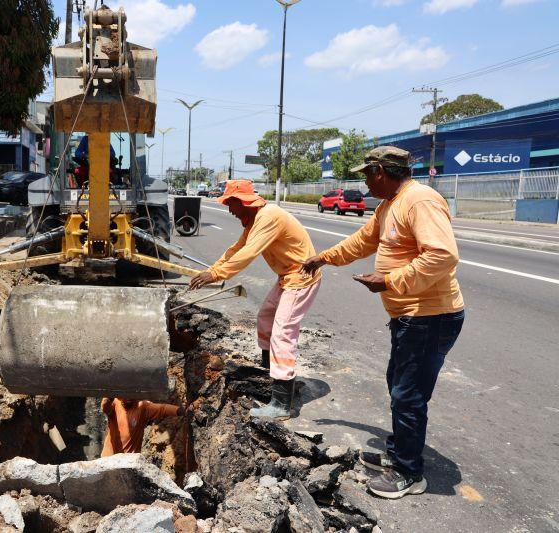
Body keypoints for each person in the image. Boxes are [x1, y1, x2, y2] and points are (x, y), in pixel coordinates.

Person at [301, 146, 465, 499]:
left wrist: (390, 281)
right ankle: (398, 453)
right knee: (399, 385)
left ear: (380, 171)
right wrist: (323, 258)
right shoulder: (390, 205)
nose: (364, 182)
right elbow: (362, 242)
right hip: (410, 317)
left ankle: (408, 472)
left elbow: (443, 255)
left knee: (408, 395)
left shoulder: (419, 200)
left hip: (430, 316)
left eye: (366, 174)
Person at [188, 180, 321, 420]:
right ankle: (270, 369)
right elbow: (236, 248)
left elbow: (248, 253)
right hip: (287, 276)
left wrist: (217, 274)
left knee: (283, 333)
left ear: (243, 202)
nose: (230, 210)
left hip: (301, 278)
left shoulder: (268, 217)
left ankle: (282, 404)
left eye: (231, 204)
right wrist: (213, 269)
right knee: (266, 316)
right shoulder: (256, 220)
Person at [100, 397, 185, 457]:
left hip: (129, 461)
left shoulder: (142, 407)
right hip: (109, 458)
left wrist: (180, 411)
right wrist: (109, 395)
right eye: (125, 393)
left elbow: (162, 409)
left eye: (132, 393)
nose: (128, 397)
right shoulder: (114, 404)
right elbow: (105, 407)